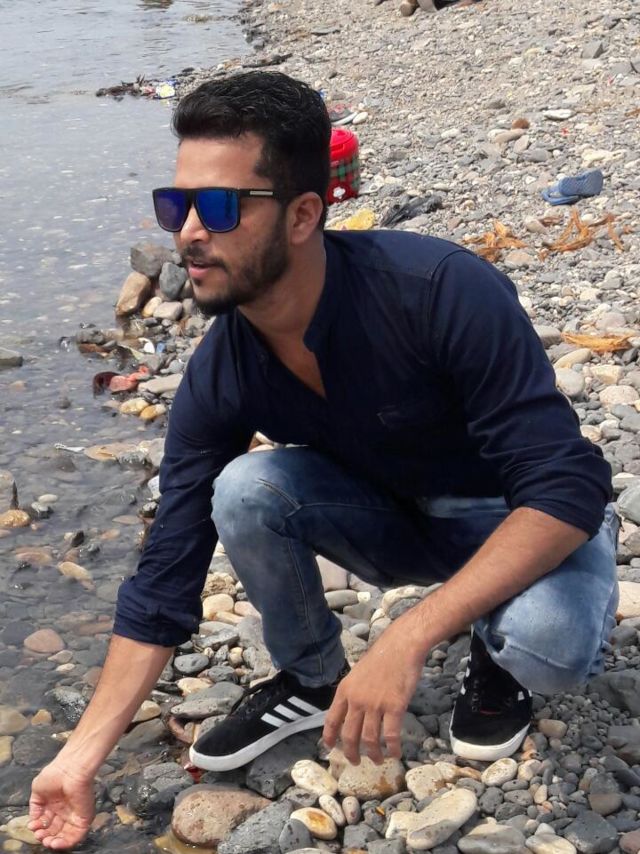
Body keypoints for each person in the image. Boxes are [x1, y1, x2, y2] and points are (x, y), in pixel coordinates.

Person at [29, 71, 618, 850]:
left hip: (516, 516)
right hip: (399, 521)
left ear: (304, 213)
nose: (188, 234)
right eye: (177, 206)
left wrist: (408, 636)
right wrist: (78, 759)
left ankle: (495, 651)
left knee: (547, 644)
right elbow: (166, 575)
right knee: (246, 487)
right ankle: (312, 678)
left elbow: (567, 487)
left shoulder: (439, 292)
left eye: (218, 207)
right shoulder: (224, 369)